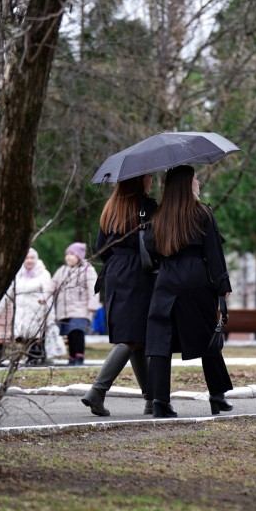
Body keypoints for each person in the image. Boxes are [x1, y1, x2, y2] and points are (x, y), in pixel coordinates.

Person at [144, 165, 233, 418]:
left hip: (167, 279)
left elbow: (150, 247)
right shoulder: (202, 212)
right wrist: (222, 284)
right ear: (186, 184)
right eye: (196, 179)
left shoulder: (159, 215)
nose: (199, 182)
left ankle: (160, 401)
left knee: (160, 340)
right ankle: (217, 396)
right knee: (207, 336)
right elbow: (214, 252)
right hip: (196, 280)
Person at [81, 175, 157, 416]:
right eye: (149, 178)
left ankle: (151, 399)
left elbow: (100, 247)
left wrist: (117, 261)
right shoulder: (147, 206)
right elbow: (156, 242)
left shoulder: (110, 208)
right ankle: (98, 390)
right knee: (131, 337)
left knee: (138, 338)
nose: (152, 182)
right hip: (138, 273)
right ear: (138, 182)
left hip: (114, 271)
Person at [50, 242, 100, 366]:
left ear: (79, 256)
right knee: (69, 334)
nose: (68, 257)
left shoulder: (87, 270)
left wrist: (93, 305)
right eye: (67, 254)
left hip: (81, 308)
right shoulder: (62, 271)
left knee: (76, 331)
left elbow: (93, 288)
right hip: (65, 309)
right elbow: (52, 285)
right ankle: (72, 356)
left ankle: (79, 356)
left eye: (72, 254)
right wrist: (44, 297)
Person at [10, 248, 52, 366]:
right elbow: (10, 291)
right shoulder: (18, 273)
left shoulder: (43, 273)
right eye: (27, 258)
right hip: (20, 309)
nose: (29, 260)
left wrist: (46, 304)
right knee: (22, 335)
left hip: (36, 308)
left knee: (34, 335)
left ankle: (34, 357)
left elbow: (48, 292)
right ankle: (32, 356)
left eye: (32, 258)